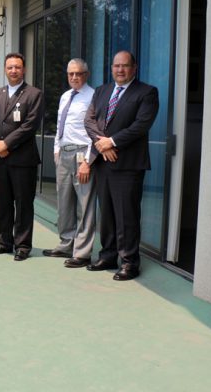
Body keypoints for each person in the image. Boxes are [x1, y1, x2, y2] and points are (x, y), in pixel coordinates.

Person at [84, 50, 159, 281]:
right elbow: (89, 121)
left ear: (134, 68)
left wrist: (112, 141)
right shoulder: (102, 90)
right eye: (116, 66)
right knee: (106, 213)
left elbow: (141, 125)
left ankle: (129, 262)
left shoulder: (147, 92)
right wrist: (103, 144)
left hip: (128, 165)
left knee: (126, 215)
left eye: (125, 66)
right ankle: (107, 255)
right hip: (103, 163)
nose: (120, 70)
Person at [0, 52, 43, 261]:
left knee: (24, 203)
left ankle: (23, 246)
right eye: (10, 67)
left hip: (23, 160)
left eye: (17, 67)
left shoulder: (34, 94)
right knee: (3, 202)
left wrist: (7, 144)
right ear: (5, 69)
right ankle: (4, 242)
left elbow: (30, 125)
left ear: (24, 69)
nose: (13, 70)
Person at [43, 58, 97, 268]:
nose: (74, 77)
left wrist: (88, 162)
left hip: (83, 155)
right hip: (64, 154)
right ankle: (66, 242)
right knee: (64, 202)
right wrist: (56, 149)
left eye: (78, 73)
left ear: (86, 74)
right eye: (71, 74)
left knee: (85, 205)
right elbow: (60, 125)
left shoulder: (93, 96)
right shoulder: (66, 96)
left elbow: (96, 131)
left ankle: (82, 252)